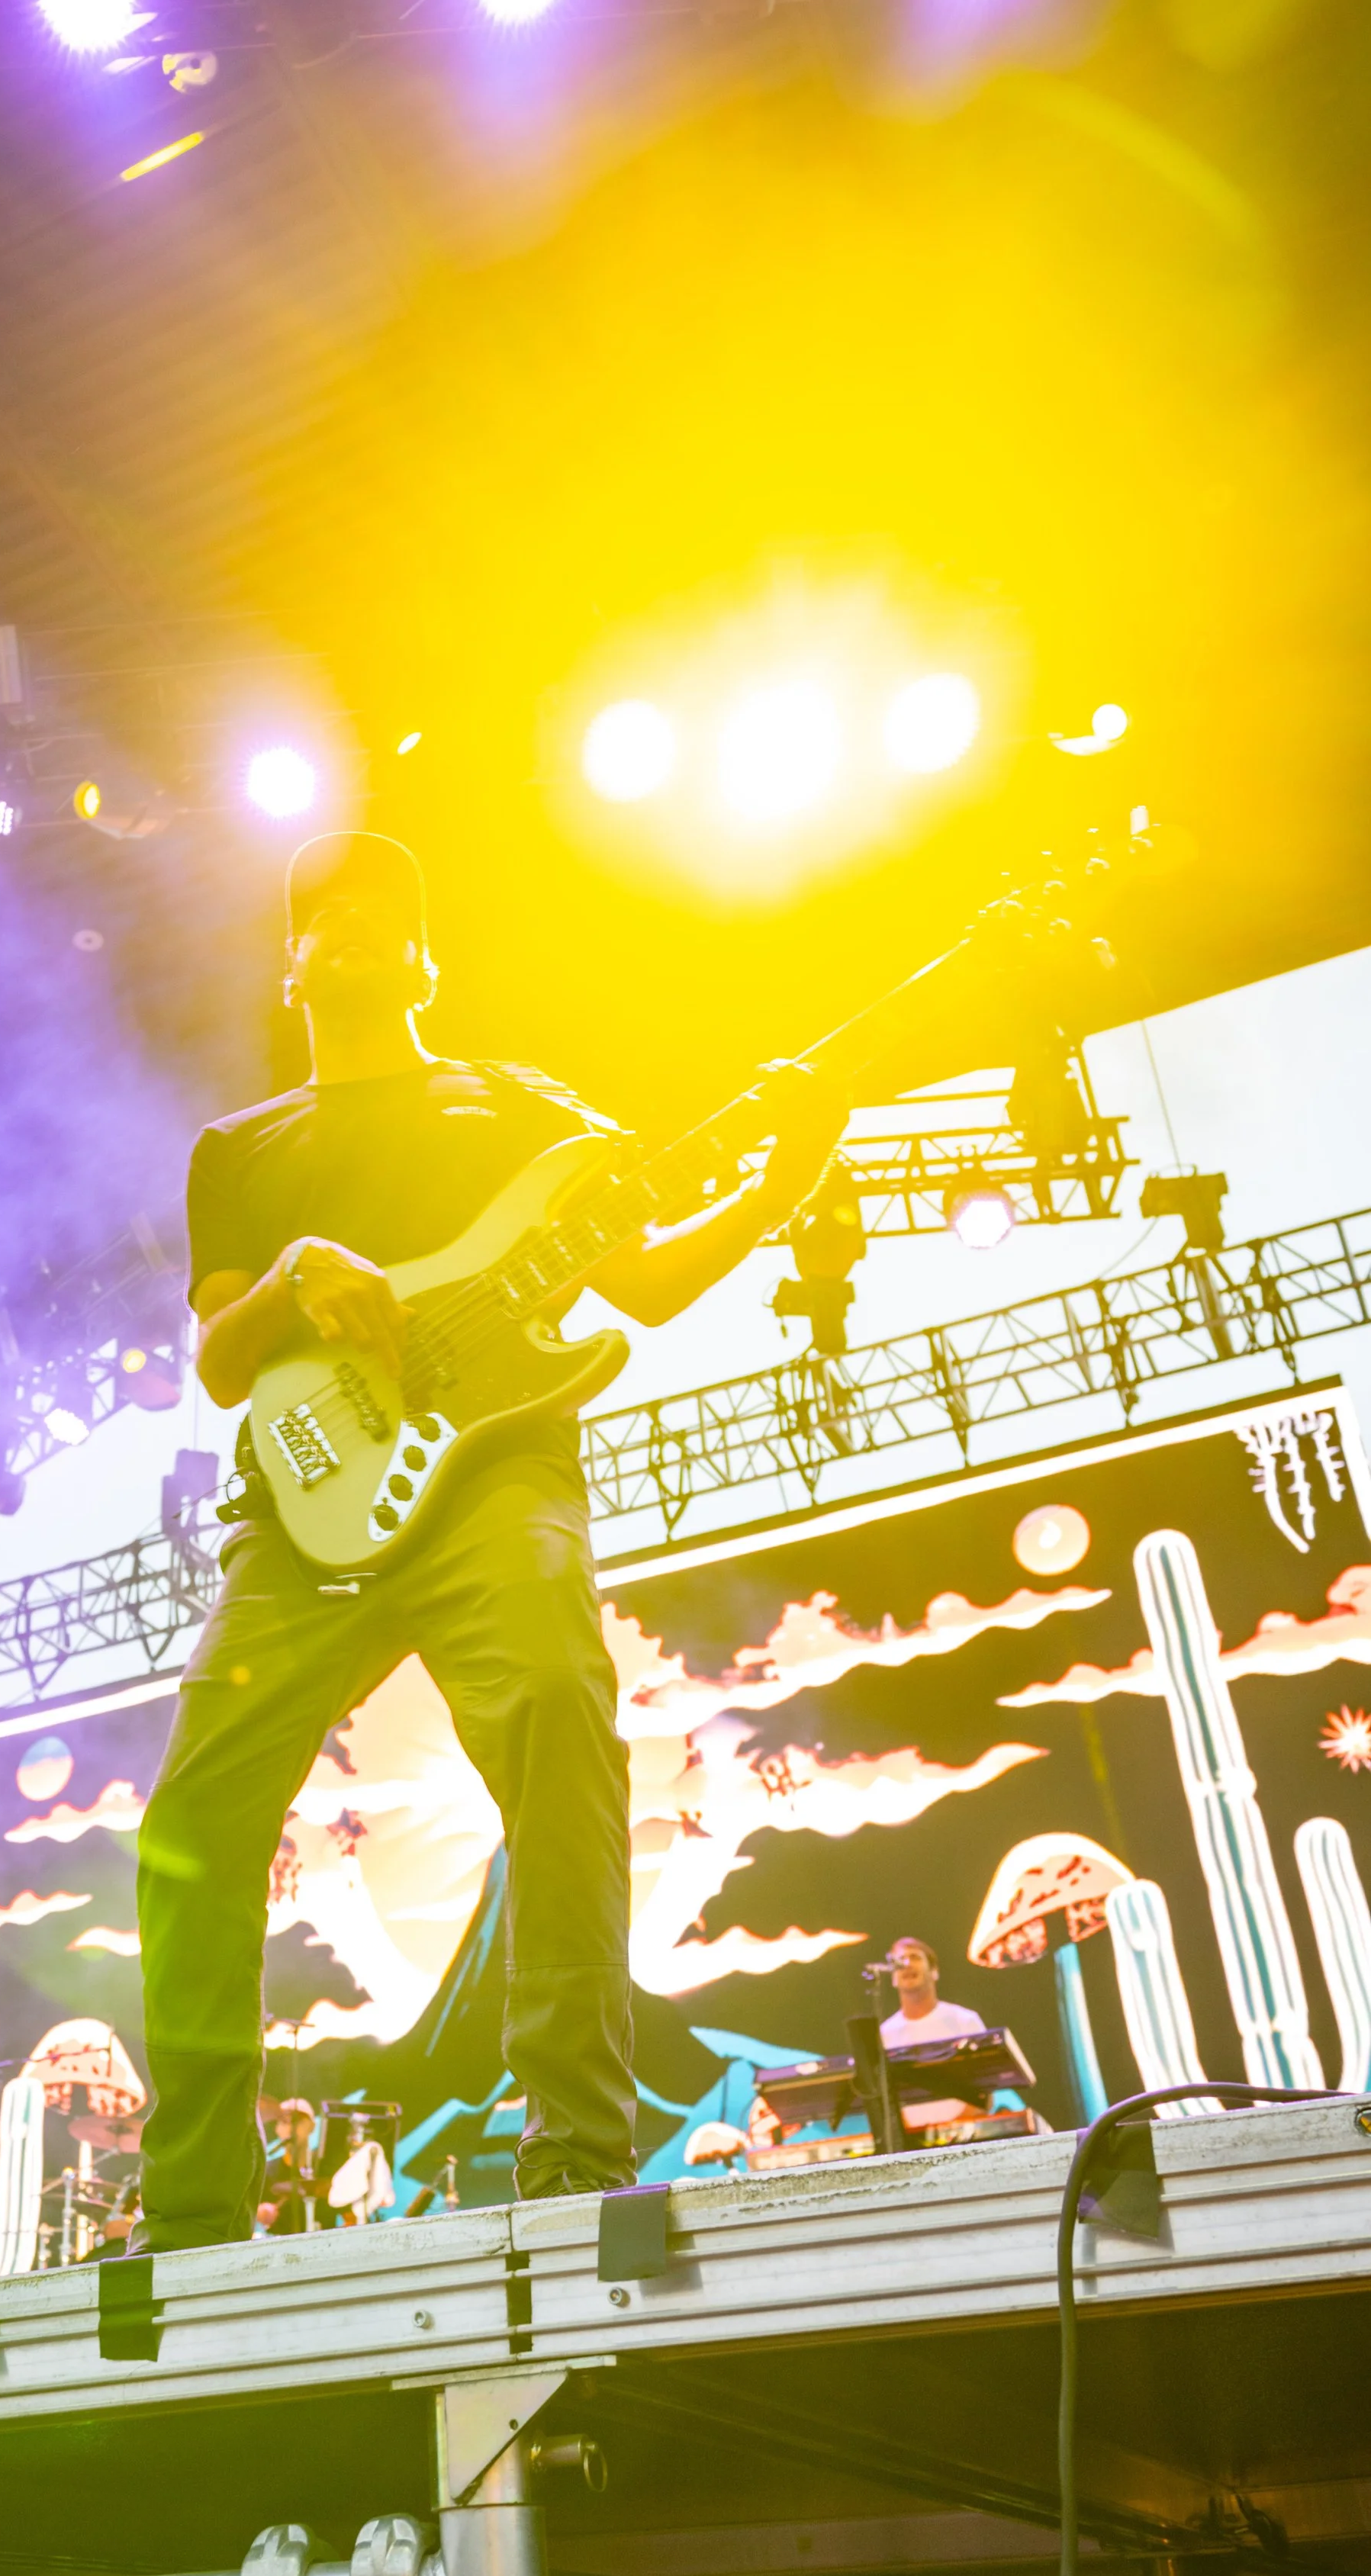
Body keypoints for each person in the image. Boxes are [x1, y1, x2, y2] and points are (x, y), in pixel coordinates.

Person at [133, 828, 848, 2253]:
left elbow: (635, 1280)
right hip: (301, 1513)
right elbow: (221, 1361)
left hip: (502, 1475)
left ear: (423, 953)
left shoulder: (520, 1104)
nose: (351, 923)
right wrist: (291, 1277)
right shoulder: (242, 1148)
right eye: (321, 912)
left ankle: (578, 2153)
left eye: (383, 907)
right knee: (194, 1825)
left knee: (560, 1716)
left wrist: (781, 1177)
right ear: (294, 961)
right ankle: (194, 2211)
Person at [880, 1936, 990, 2132]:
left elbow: (987, 2088)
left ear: (934, 1972)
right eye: (900, 1960)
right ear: (893, 1979)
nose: (907, 1964)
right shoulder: (884, 2034)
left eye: (915, 1957)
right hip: (911, 2145)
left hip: (965, 2138)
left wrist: (954, 2130)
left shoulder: (964, 2021)